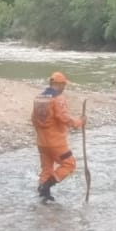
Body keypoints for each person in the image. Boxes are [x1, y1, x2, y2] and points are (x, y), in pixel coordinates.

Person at [32, 71, 84, 202]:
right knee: (69, 164)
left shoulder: (38, 98)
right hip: (56, 142)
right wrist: (80, 122)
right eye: (64, 85)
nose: (64, 87)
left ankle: (43, 196)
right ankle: (47, 185)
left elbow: (33, 119)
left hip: (42, 142)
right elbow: (64, 118)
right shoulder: (58, 98)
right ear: (59, 84)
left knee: (46, 169)